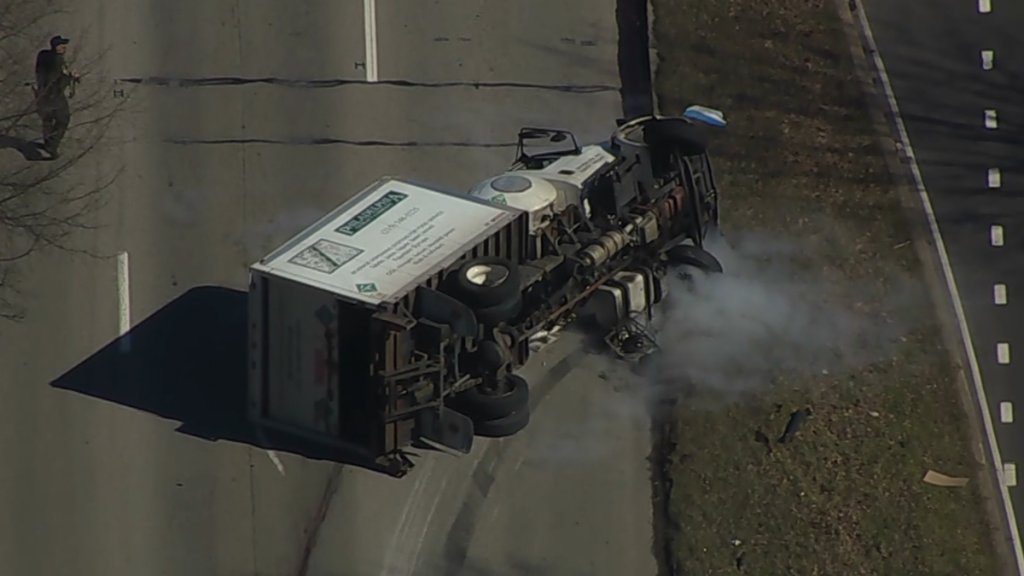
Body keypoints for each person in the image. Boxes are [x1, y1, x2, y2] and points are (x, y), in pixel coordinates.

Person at [34, 35, 79, 158]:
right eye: (62, 45)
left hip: (41, 93)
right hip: (54, 95)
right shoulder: (57, 60)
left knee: (47, 119)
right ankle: (51, 147)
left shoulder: (43, 55)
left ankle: (47, 143)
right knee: (63, 119)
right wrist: (71, 77)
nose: (65, 47)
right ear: (57, 47)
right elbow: (58, 82)